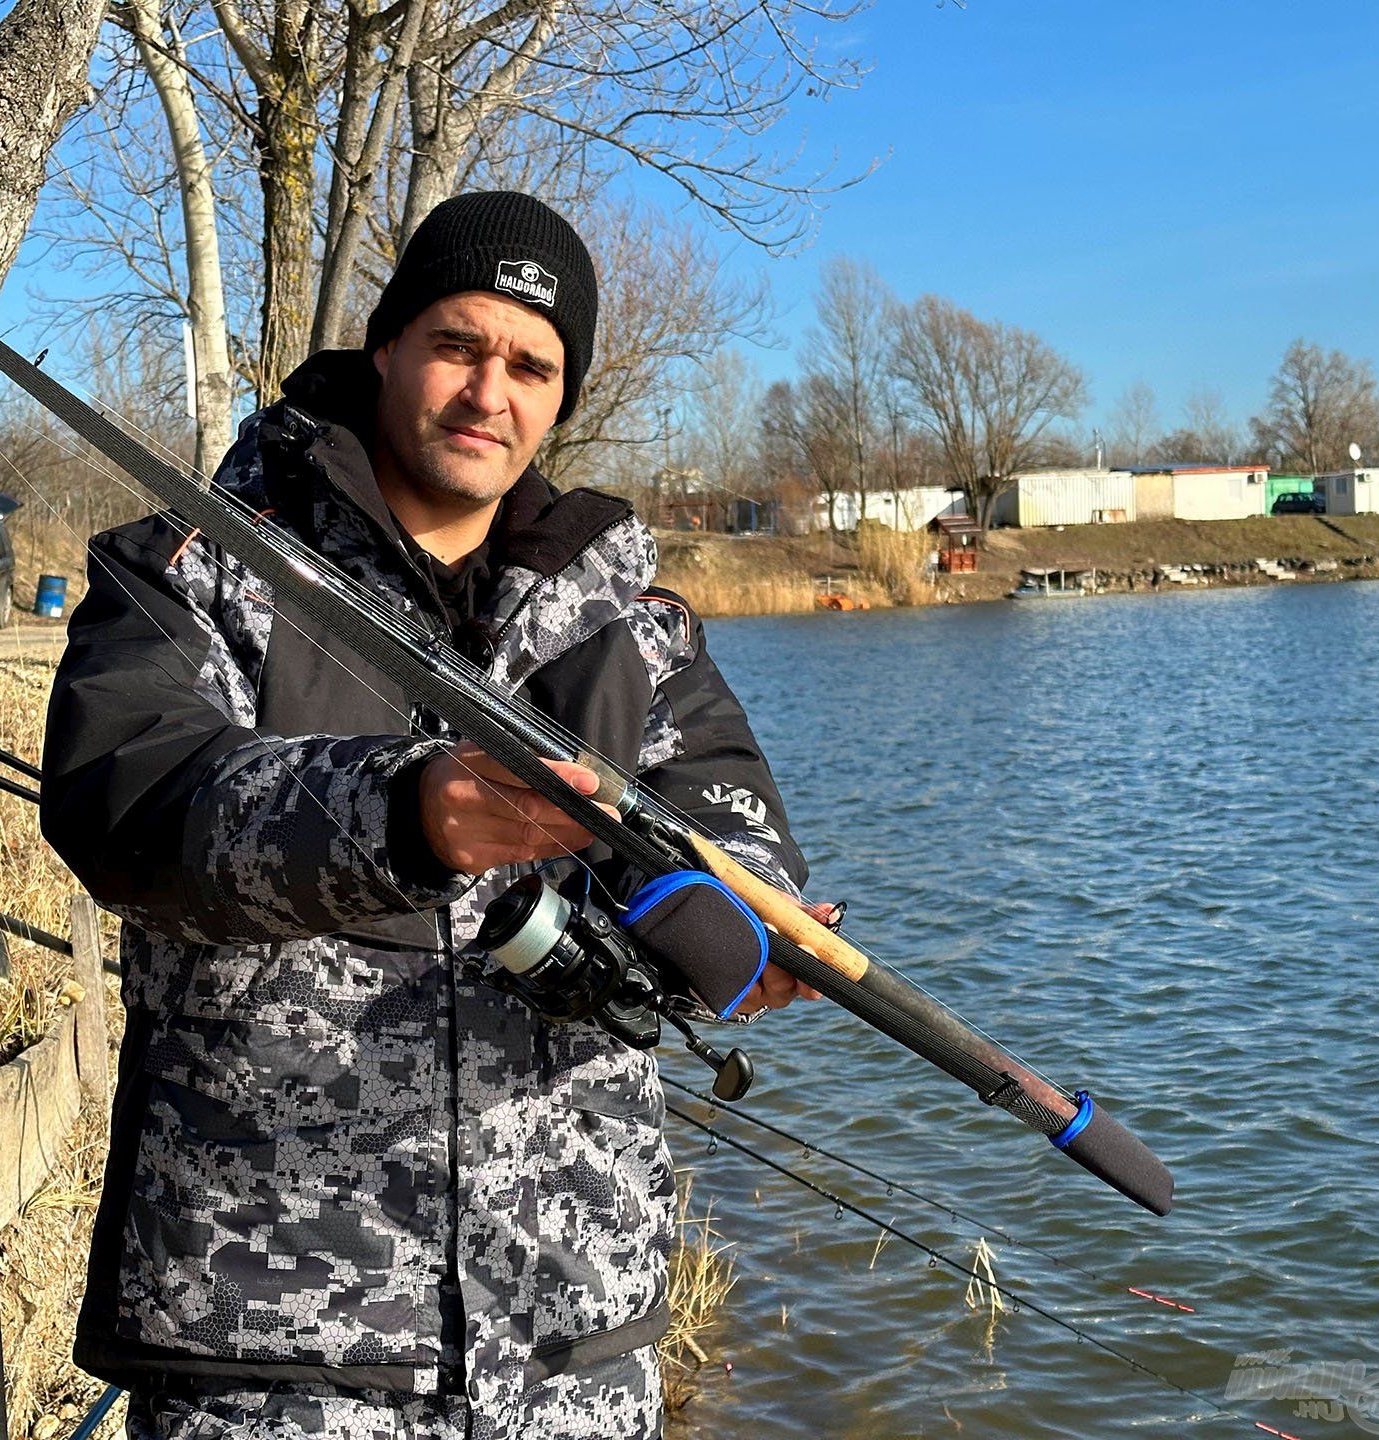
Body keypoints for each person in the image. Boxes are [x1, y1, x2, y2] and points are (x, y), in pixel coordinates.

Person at [41, 191, 818, 1440]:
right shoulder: (196, 567)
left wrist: (745, 942)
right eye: (459, 345)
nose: (488, 392)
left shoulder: (637, 626)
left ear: (561, 398)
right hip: (275, 1343)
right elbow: (127, 800)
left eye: (531, 365)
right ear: (388, 346)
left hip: (574, 1337)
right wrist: (405, 816)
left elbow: (735, 839)